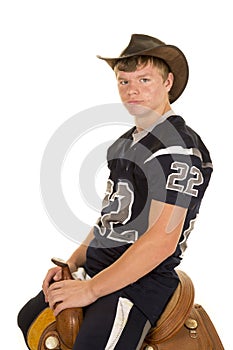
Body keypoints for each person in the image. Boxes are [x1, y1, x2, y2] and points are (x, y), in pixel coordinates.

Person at [18, 34, 213, 350]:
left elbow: (162, 241)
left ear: (168, 82)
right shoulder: (125, 143)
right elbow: (110, 220)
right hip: (100, 271)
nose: (132, 89)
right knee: (30, 318)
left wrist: (91, 290)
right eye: (124, 81)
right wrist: (72, 263)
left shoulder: (177, 146)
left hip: (139, 283)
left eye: (144, 79)